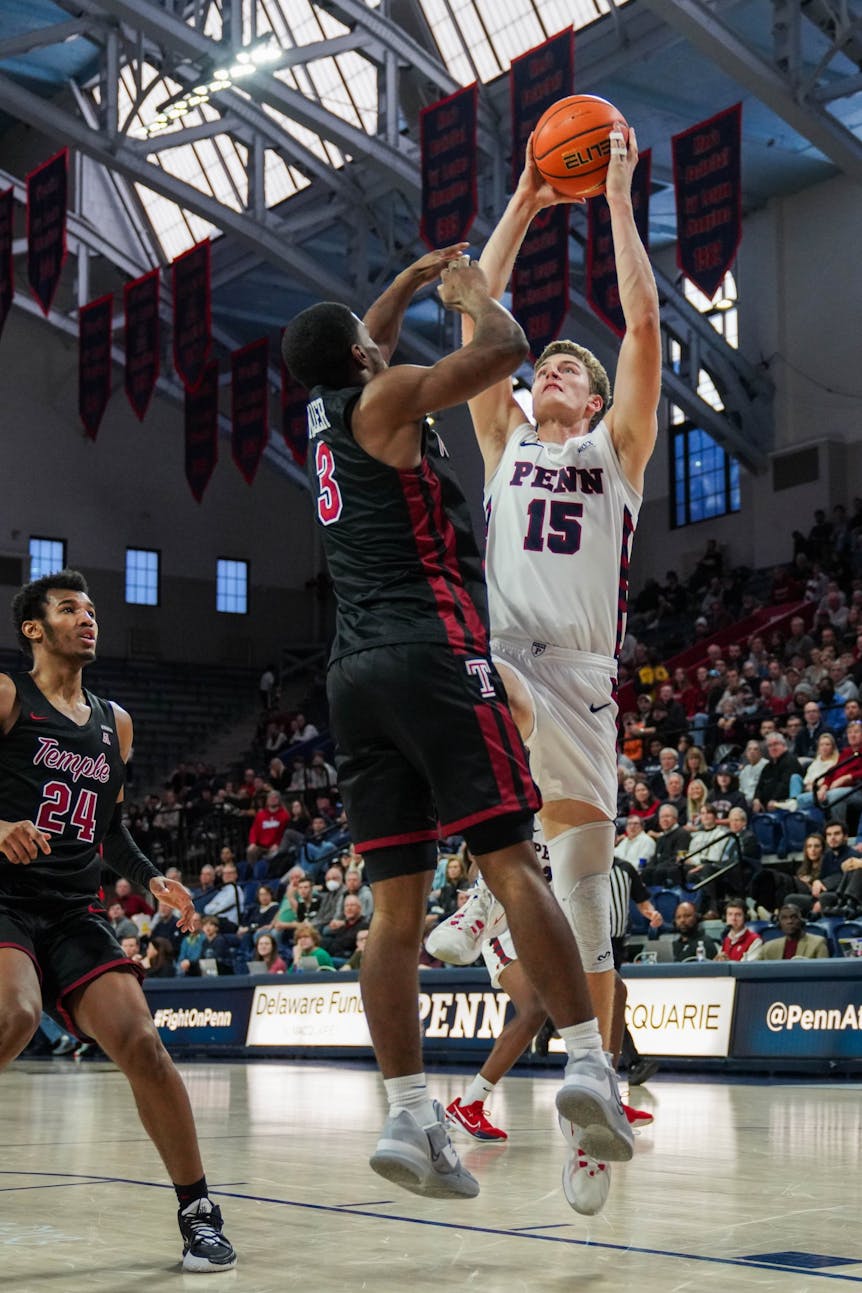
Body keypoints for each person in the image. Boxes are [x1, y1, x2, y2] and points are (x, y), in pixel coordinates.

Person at [282, 244, 633, 1202]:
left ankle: (407, 1111)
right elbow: (508, 347)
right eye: (369, 339)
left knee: (393, 913)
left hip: (350, 677)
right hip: (432, 649)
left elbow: (370, 336)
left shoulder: (321, 414)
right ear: (362, 358)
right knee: (513, 861)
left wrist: (394, 287)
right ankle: (590, 1065)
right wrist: (474, 295)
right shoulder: (391, 393)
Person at [434, 120, 659, 1211]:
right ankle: (482, 897)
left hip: (584, 681)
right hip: (510, 657)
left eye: (576, 364)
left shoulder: (615, 452)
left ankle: (591, 1101)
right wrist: (524, 197)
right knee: (488, 672)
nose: (562, 368)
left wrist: (615, 198)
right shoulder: (501, 440)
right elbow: (479, 312)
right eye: (550, 364)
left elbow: (645, 322)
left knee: (587, 916)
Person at [0, 570, 235, 1272]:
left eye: (92, 609)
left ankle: (199, 1212)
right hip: (5, 898)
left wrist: (150, 875)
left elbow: (110, 827)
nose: (88, 617)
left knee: (142, 1043)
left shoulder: (115, 722)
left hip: (74, 908)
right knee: (15, 1012)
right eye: (70, 608)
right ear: (33, 628)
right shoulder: (10, 697)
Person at [756, 903, 829, 959]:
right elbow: (753, 970)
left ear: (801, 921)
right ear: (779, 923)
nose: (789, 921)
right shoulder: (768, 947)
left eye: (794, 917)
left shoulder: (818, 943)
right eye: (784, 918)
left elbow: (824, 973)